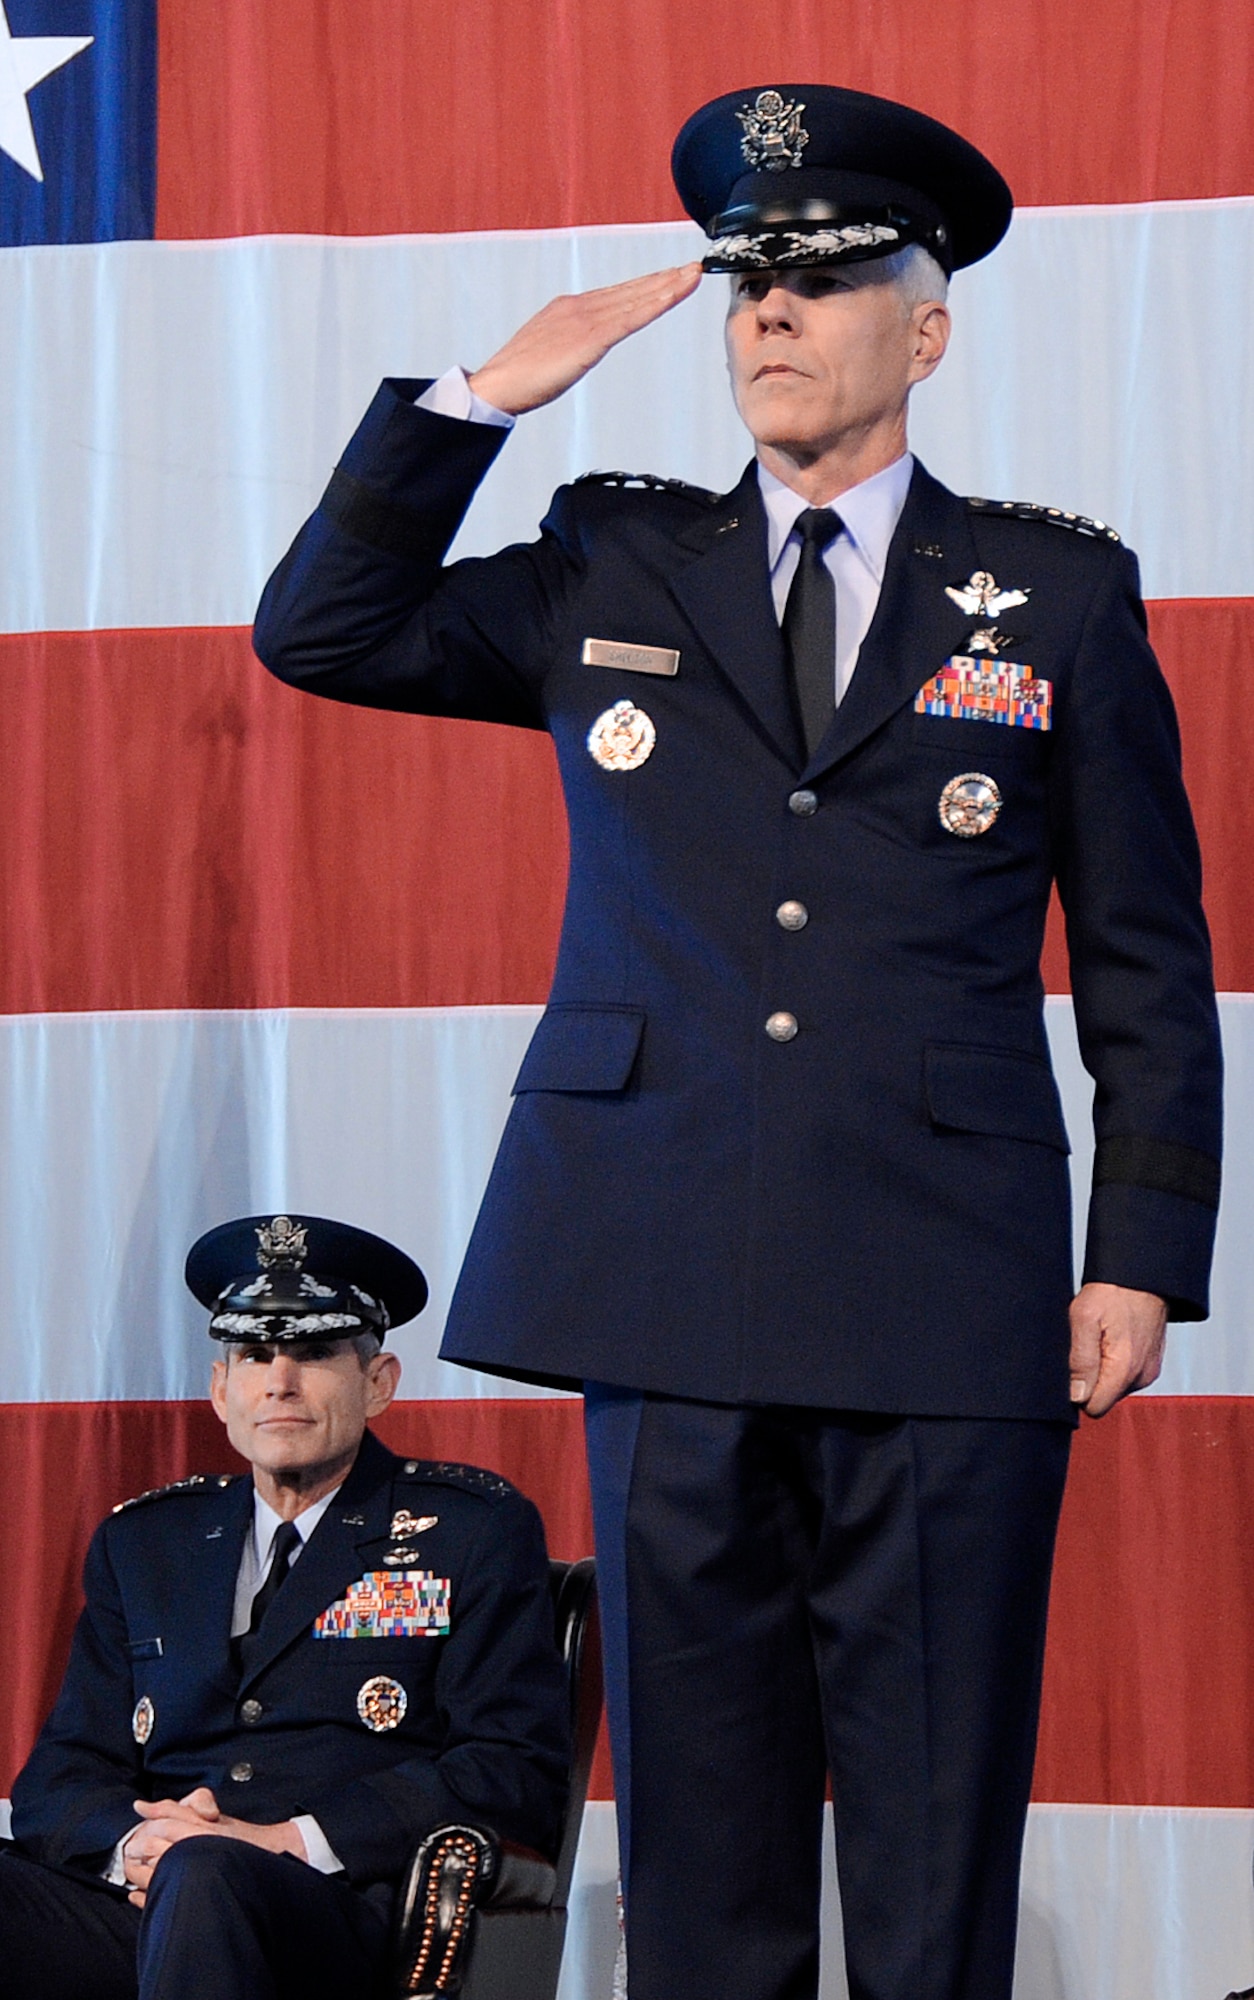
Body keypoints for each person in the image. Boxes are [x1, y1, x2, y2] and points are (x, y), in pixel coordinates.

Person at [252, 84, 1223, 2000]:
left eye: (824, 277)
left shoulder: (1051, 594)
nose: (767, 314)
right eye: (742, 285)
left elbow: (1141, 956)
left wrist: (1137, 1256)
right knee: (699, 1833)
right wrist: (478, 400)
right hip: (663, 1268)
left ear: (920, 329)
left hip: (943, 1284)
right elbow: (320, 630)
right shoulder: (610, 562)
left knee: (935, 1825)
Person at [0, 1213, 569, 2000]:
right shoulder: (145, 1544)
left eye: (314, 1353)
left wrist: (284, 1842)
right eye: (255, 1355)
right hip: (145, 1900)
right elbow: (60, 1778)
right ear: (219, 1390)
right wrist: (138, 1846)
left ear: (378, 1383)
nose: (280, 1382)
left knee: (206, 1875)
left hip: (334, 1914)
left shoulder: (471, 1531)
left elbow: (510, 1770)